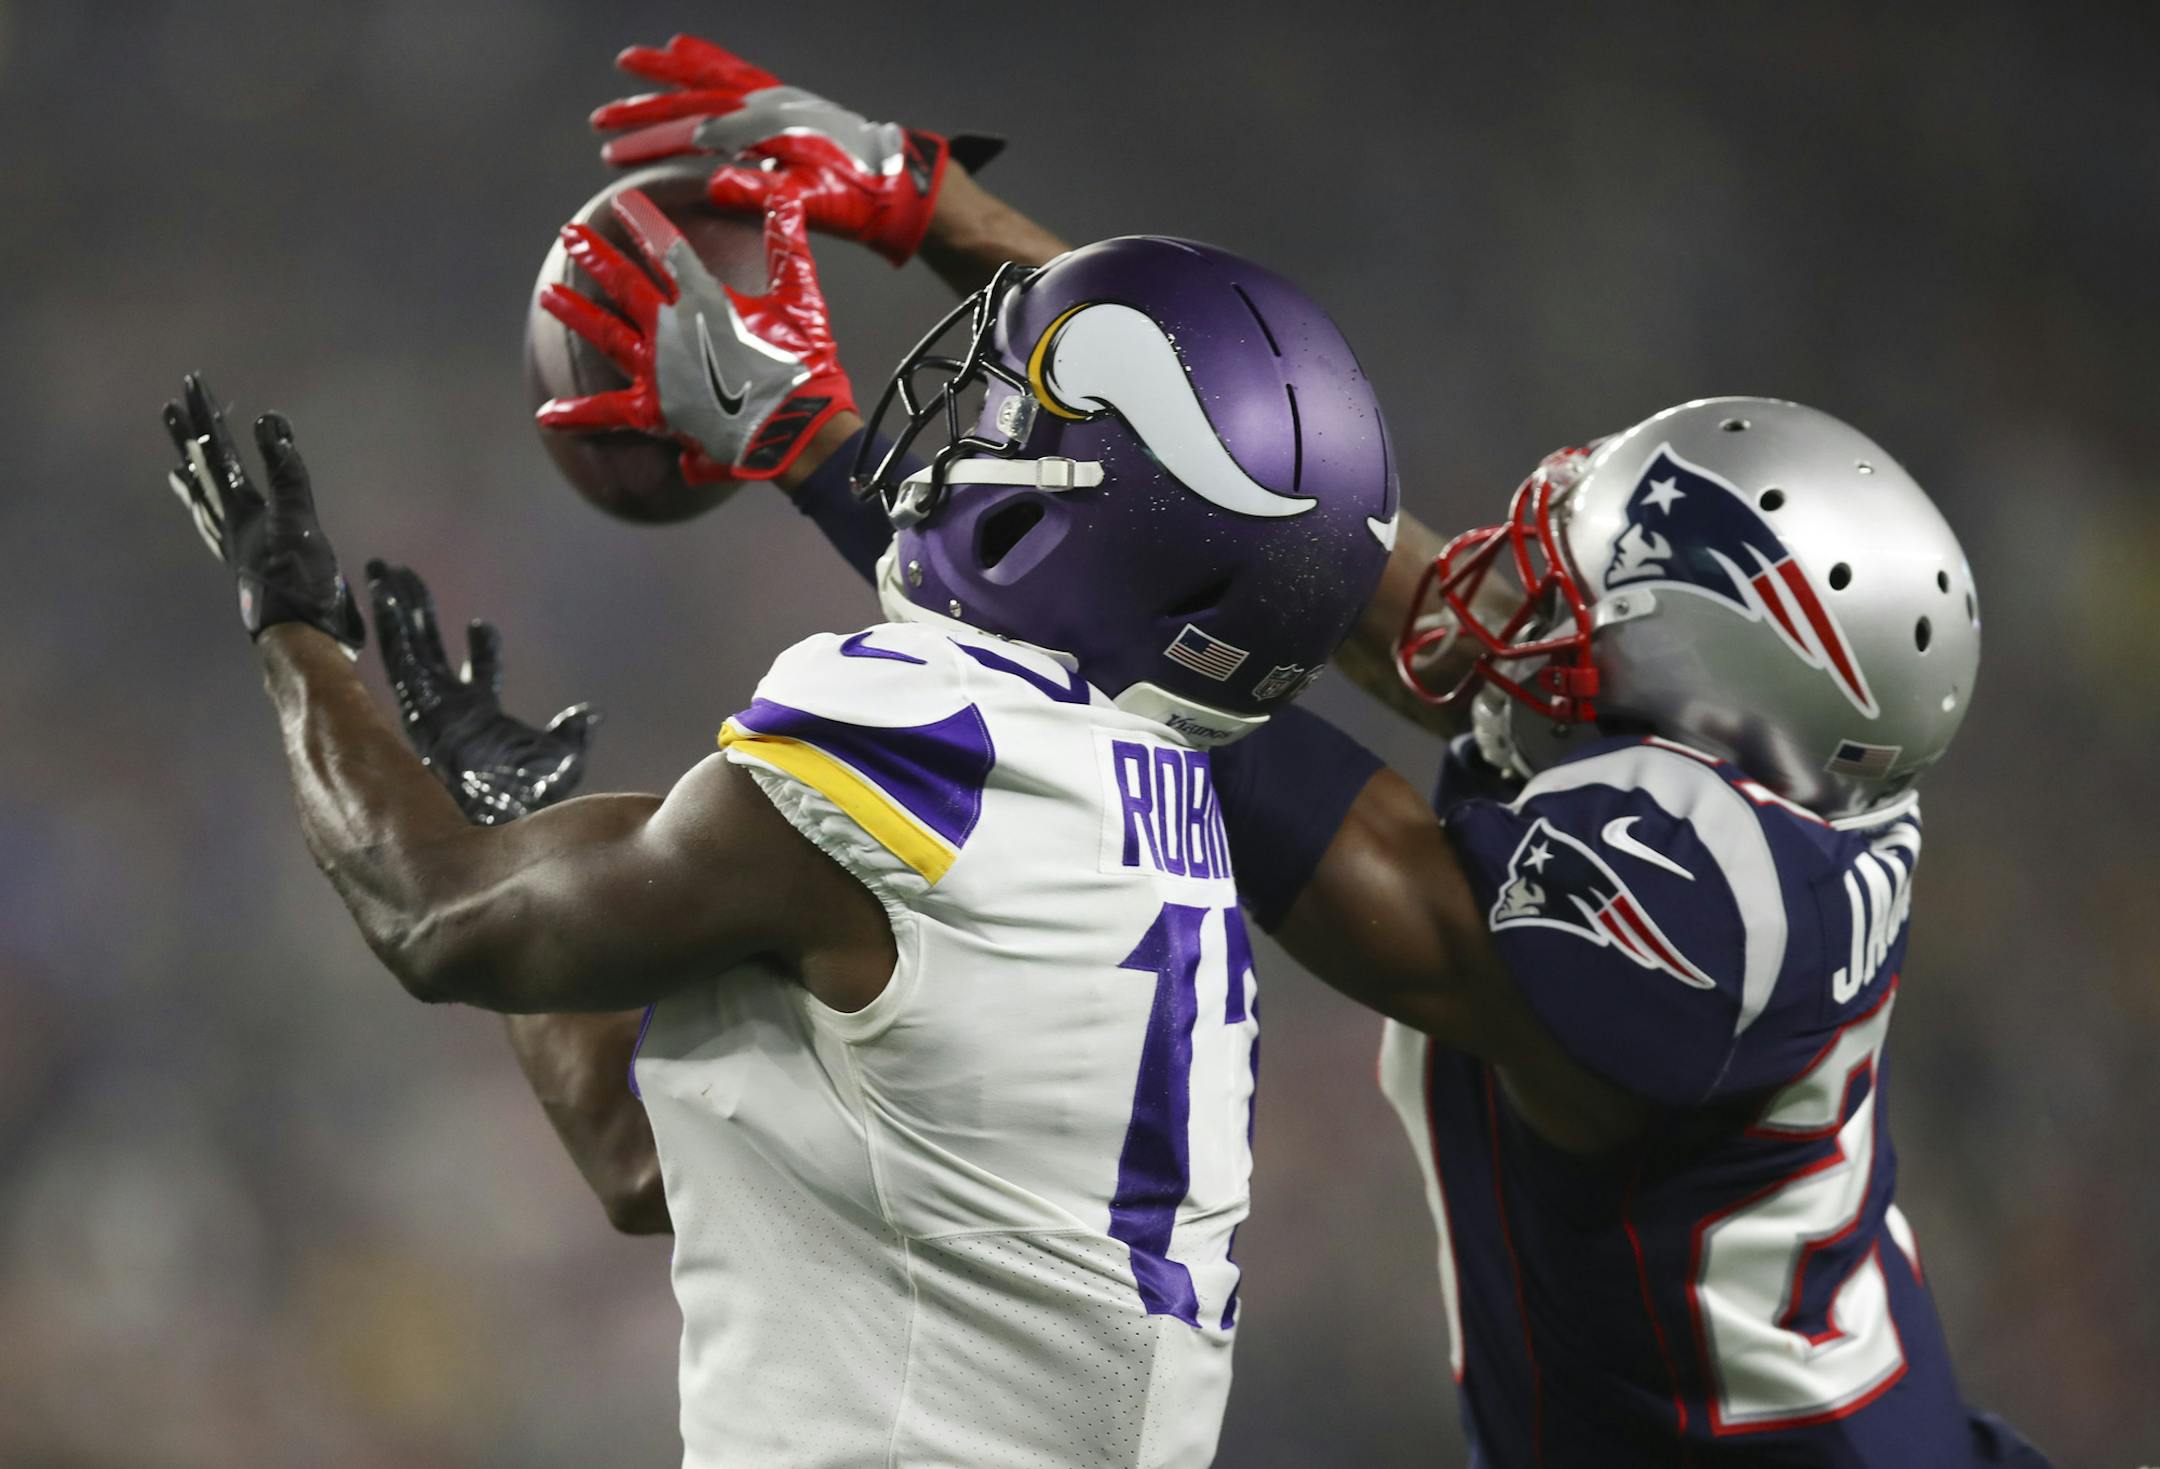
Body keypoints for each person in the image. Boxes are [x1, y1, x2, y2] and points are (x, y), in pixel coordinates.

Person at [494, 37, 2048, 1466]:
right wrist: (938, 209)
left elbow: (1241, 708)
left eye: (1572, 603)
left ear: (1689, 710)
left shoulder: (1709, 915)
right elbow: (1278, 516)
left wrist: (826, 447)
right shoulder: (1771, 763)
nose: (1499, 591)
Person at [158, 167, 1399, 1465]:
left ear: (1080, 511)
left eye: (1010, 415)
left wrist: (292, 628)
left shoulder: (945, 742)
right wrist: (518, 808)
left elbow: (433, 916)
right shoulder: (1161, 819)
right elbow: (643, 1156)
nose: (965, 437)